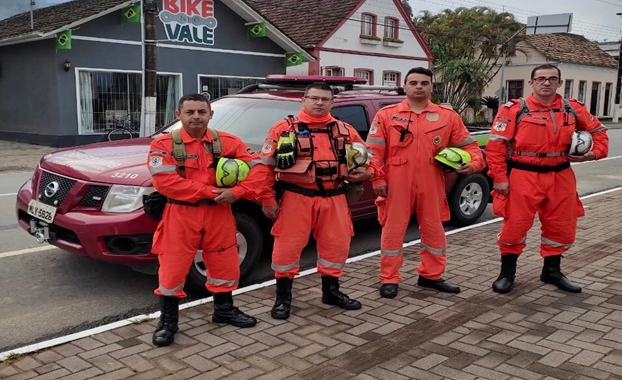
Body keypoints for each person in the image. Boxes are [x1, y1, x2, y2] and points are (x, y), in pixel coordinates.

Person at [146, 93, 268, 347]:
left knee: (224, 260)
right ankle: (168, 322)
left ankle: (223, 310)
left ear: (211, 115)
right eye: (189, 112)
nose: (196, 117)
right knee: (172, 266)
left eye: (202, 112)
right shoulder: (163, 145)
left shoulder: (227, 141)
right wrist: (212, 193)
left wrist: (238, 192)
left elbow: (259, 170)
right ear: (178, 115)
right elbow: (165, 182)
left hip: (219, 213)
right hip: (181, 213)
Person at [486, 64, 608, 294]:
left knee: (561, 225)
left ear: (559, 83)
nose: (546, 83)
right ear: (531, 82)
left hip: (560, 175)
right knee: (515, 225)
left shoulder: (572, 108)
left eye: (552, 79)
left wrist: (594, 153)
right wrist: (499, 178)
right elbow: (496, 147)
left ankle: (551, 271)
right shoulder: (514, 109)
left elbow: (599, 132)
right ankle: (507, 274)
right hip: (523, 175)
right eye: (541, 78)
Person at [366, 67, 485, 298]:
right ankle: (389, 279)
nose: (418, 86)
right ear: (405, 87)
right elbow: (373, 152)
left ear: (432, 86)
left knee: (434, 230)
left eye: (424, 83)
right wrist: (378, 177)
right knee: (393, 231)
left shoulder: (447, 116)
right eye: (413, 83)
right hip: (396, 181)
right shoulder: (386, 115)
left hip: (432, 180)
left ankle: (431, 276)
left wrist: (474, 164)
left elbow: (470, 147)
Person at [260, 82, 372, 320]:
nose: (319, 103)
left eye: (324, 99)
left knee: (336, 245)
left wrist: (367, 173)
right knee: (287, 248)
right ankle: (283, 298)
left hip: (335, 197)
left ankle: (331, 292)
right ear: (304, 100)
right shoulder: (283, 128)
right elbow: (264, 169)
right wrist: (267, 199)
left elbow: (367, 159)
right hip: (296, 197)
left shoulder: (345, 129)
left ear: (332, 103)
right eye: (314, 98)